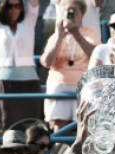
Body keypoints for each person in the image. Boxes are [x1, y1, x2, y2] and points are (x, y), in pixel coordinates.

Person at [40, 0, 100, 132]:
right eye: (67, 10)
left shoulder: (90, 31)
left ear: (82, 13)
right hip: (59, 86)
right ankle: (60, 153)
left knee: (84, 128)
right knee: (60, 129)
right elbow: (46, 62)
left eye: (75, 9)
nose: (71, 12)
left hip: (83, 85)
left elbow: (95, 55)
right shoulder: (56, 35)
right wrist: (59, 38)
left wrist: (76, 34)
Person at [0, 0, 43, 131]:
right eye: (10, 6)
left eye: (17, 6)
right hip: (3, 83)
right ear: (4, 7)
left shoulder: (29, 21)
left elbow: (34, 4)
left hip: (30, 83)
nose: (14, 10)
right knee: (4, 129)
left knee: (32, 130)